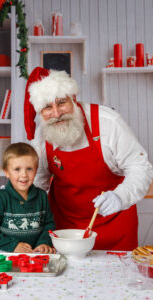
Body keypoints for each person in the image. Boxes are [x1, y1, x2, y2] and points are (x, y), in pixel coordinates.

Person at [23, 66, 153, 251]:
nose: (56, 113)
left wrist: (120, 196)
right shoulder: (43, 134)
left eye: (61, 103)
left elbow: (140, 167)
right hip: (64, 232)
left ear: (73, 98)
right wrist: (16, 194)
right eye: (47, 107)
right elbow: (38, 182)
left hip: (114, 228)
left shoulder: (108, 122)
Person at [0, 142, 56, 254]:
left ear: (36, 170)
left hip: (33, 256)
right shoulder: (0, 198)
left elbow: (49, 225)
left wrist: (43, 242)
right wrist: (12, 245)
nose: (24, 175)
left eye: (29, 169)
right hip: (2, 255)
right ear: (7, 172)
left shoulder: (42, 196)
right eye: (17, 169)